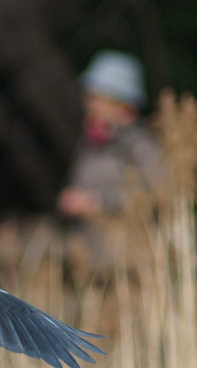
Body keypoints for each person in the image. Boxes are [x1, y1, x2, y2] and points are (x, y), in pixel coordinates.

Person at [57, 51, 164, 272]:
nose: (89, 104)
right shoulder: (90, 144)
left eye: (97, 97)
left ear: (121, 102)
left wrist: (100, 203)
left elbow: (158, 193)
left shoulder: (141, 146)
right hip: (90, 262)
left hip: (130, 264)